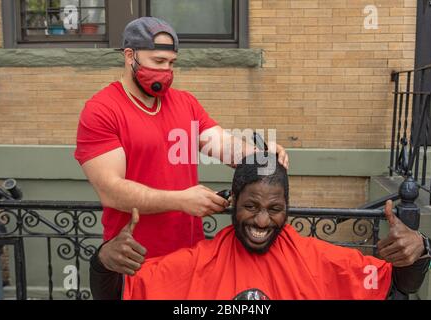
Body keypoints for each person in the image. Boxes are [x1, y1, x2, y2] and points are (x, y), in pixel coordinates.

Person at [74, 16, 289, 270]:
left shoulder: (185, 103)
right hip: (133, 260)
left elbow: (223, 145)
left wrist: (261, 155)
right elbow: (110, 190)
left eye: (171, 63)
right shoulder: (101, 110)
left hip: (189, 257)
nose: (166, 71)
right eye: (158, 61)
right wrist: (180, 200)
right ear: (130, 56)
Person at [89, 153, 430, 300]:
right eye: (251, 206)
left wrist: (419, 249)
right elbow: (121, 292)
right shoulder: (197, 263)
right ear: (233, 202)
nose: (262, 220)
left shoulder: (316, 260)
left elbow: (398, 286)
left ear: (287, 209)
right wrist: (103, 261)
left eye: (274, 209)